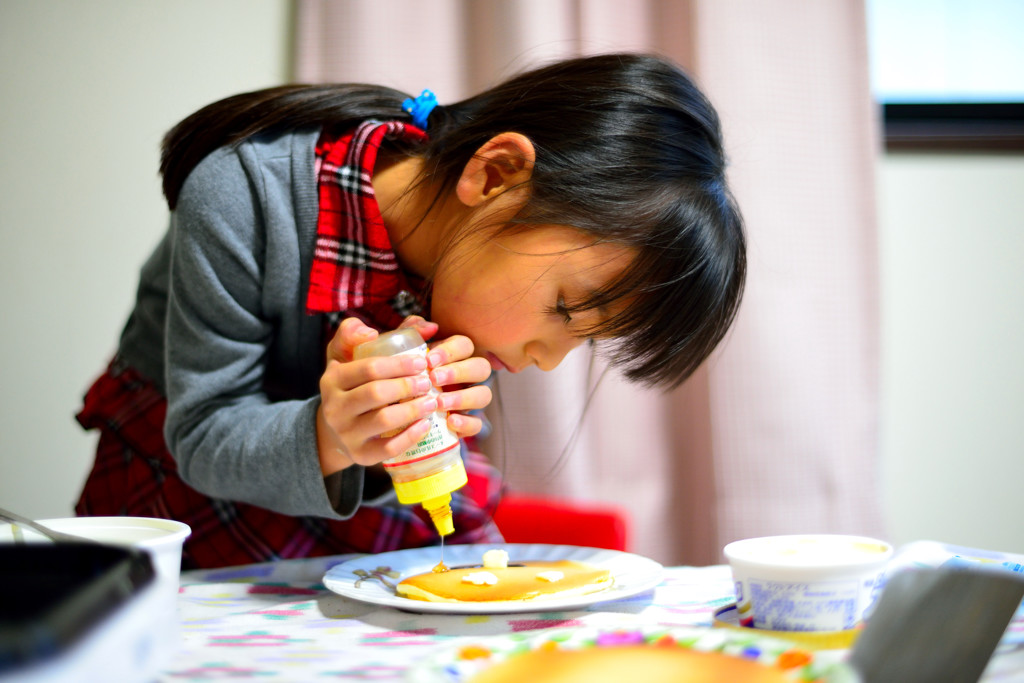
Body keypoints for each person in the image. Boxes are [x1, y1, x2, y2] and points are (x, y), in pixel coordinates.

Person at [75, 53, 746, 569]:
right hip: (176, 490)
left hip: (354, 505)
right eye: (564, 309)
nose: (545, 359)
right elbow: (204, 435)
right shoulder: (242, 193)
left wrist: (383, 436)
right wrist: (332, 432)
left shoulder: (473, 271)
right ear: (494, 175)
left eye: (585, 339)